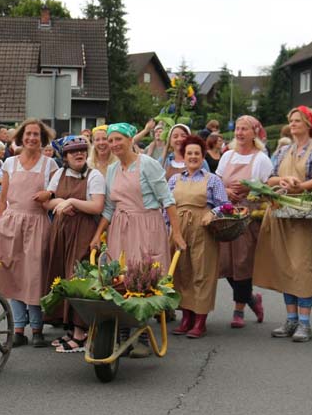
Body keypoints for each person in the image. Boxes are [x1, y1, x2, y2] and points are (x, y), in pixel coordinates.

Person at [91, 124, 181, 357]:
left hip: (146, 224)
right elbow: (110, 207)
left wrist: (177, 234)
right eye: (111, 141)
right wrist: (96, 235)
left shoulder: (147, 164)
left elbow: (167, 200)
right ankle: (121, 333)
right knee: (118, 277)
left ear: (131, 139)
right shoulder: (111, 169)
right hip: (120, 227)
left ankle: (141, 334)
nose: (114, 145)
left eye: (118, 139)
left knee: (142, 278)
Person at [252, 106, 312, 342]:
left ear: (309, 124)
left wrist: (302, 186)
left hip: (306, 215)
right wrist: (284, 180)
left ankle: (305, 323)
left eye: (298, 120)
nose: (294, 123)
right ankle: (291, 320)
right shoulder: (284, 149)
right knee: (287, 266)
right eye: (291, 120)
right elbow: (270, 178)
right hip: (282, 215)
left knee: (302, 267)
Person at [0, 119, 58, 348]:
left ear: (43, 139)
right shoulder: (10, 163)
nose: (32, 138)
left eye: (36, 135)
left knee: (34, 275)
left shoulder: (49, 165)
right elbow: (2, 198)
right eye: (28, 134)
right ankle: (18, 329)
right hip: (12, 223)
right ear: (21, 137)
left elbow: (53, 195)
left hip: (37, 223)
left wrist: (49, 195)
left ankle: (37, 327)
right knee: (13, 274)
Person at [41, 138, 105, 352]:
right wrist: (60, 203)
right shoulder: (59, 174)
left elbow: (97, 206)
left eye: (82, 151)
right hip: (61, 231)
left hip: (82, 231)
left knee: (77, 277)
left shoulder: (94, 175)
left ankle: (80, 332)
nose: (79, 155)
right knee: (61, 275)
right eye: (73, 152)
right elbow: (47, 202)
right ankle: (70, 328)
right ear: (65, 157)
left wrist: (73, 202)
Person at [168, 136, 226, 338]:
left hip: (203, 229)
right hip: (178, 228)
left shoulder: (213, 179)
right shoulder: (175, 179)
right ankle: (186, 317)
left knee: (202, 272)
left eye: (197, 154)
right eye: (189, 153)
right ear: (183, 157)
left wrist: (213, 212)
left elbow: (225, 205)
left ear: (203, 157)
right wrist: (168, 228)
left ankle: (200, 320)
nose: (193, 157)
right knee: (182, 272)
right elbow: (167, 206)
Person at [216, 115, 271, 328]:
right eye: (238, 129)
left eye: (244, 129)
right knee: (226, 262)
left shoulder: (261, 159)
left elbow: (268, 187)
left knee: (242, 261)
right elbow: (217, 181)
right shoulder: (227, 156)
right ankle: (251, 299)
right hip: (228, 212)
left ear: (254, 133)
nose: (239, 133)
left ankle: (238, 310)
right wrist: (226, 190)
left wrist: (250, 188)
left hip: (249, 214)